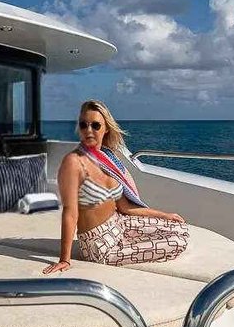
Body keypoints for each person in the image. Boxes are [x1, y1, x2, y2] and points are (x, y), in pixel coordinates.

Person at [43, 100, 188, 274]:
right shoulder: (74, 163)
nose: (88, 130)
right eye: (83, 125)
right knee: (179, 242)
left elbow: (125, 207)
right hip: (99, 244)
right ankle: (129, 244)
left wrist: (165, 215)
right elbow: (70, 212)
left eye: (95, 125)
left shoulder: (107, 158)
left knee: (180, 228)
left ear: (106, 129)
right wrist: (64, 259)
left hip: (119, 223)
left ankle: (133, 239)